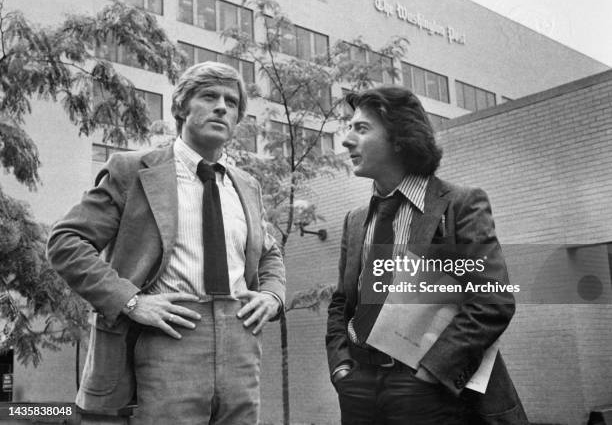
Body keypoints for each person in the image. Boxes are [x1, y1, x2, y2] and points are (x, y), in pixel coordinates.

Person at [47, 61, 285, 424]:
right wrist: (130, 301)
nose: (222, 106)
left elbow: (269, 253)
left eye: (232, 102)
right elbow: (66, 241)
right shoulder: (133, 171)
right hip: (168, 336)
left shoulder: (247, 185)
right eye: (209, 96)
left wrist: (272, 295)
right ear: (180, 108)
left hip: (241, 346)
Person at [325, 85, 528, 424]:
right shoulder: (355, 220)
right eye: (349, 129)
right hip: (359, 389)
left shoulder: (460, 205)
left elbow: (492, 302)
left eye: (360, 128)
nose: (346, 140)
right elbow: (342, 303)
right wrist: (342, 368)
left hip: (431, 391)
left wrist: (430, 373)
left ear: (399, 137)